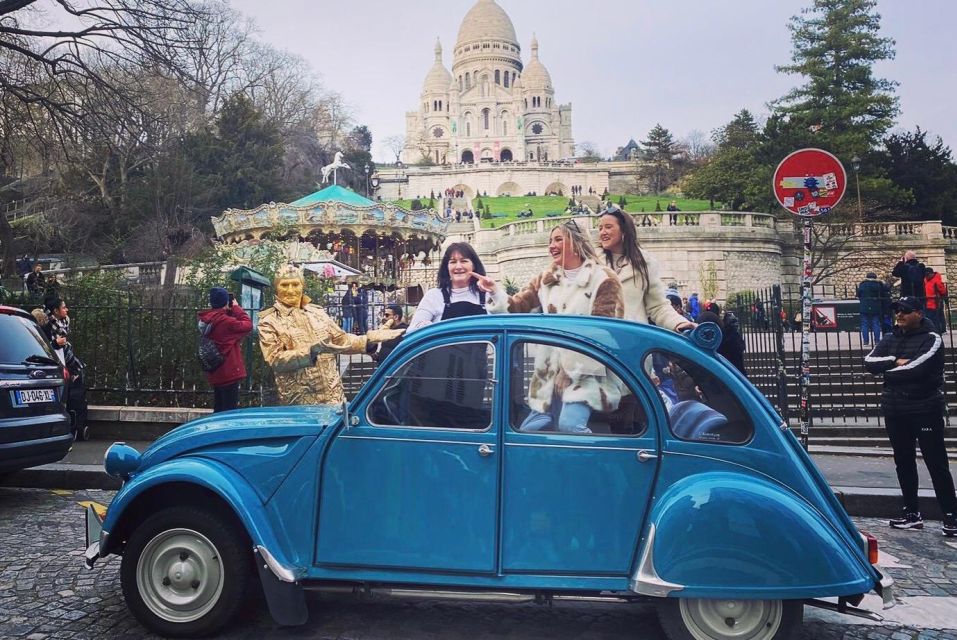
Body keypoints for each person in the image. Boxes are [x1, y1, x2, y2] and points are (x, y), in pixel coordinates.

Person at [475, 220, 625, 433]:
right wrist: (494, 291)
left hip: (589, 375)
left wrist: (569, 371)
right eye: (550, 241)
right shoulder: (546, 279)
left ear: (576, 242)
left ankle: (597, 463)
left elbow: (606, 332)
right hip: (547, 374)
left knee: (570, 426)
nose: (551, 246)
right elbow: (517, 307)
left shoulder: (604, 279)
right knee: (530, 431)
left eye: (558, 240)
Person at [863, 296, 957, 536]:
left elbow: (918, 367)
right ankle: (911, 513)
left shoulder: (932, 339)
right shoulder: (889, 338)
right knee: (903, 462)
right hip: (895, 409)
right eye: (897, 311)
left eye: (905, 311)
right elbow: (869, 362)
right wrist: (895, 361)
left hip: (924, 408)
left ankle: (951, 515)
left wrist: (890, 371)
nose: (900, 315)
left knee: (936, 463)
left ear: (919, 313)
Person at [258, 265, 404, 405]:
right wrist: (311, 351)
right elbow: (275, 359)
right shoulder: (269, 321)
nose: (290, 290)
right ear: (277, 288)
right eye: (285, 285)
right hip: (299, 402)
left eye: (295, 284)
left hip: (333, 397)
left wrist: (368, 340)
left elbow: (341, 340)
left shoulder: (317, 313)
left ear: (302, 287)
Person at [595, 205, 694, 332]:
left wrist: (679, 323)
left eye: (608, 227)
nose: (602, 232)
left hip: (632, 340)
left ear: (624, 230)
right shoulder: (591, 262)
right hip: (596, 343)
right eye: (600, 228)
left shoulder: (645, 263)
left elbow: (658, 307)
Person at [407, 242, 489, 332]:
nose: (458, 266)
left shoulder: (487, 294)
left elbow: (505, 321)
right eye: (453, 262)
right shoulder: (434, 296)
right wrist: (431, 327)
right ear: (447, 267)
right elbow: (412, 330)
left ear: (473, 265)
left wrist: (495, 293)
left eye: (464, 261)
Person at [198, 287, 253, 412]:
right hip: (229, 372)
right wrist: (236, 307)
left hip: (216, 370)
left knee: (219, 407)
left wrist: (227, 310)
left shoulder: (208, 320)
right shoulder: (225, 322)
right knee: (229, 411)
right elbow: (247, 324)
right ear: (224, 302)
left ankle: (216, 430)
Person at [40, 298, 89, 440]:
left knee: (69, 399)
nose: (66, 310)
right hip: (53, 368)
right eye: (64, 307)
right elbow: (41, 346)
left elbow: (66, 350)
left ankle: (70, 428)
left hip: (65, 367)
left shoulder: (63, 324)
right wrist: (55, 343)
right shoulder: (46, 326)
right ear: (55, 311)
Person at [856, 272, 886, 345]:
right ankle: (877, 341)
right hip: (876, 306)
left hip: (864, 306)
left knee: (864, 324)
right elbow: (883, 293)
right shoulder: (878, 284)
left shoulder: (862, 284)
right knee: (876, 323)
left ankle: (866, 342)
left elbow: (858, 294)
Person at [923, 267, 947, 334]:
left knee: (937, 318)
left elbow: (943, 291)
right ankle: (934, 330)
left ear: (931, 274)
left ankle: (940, 330)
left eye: (927, 275)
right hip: (928, 303)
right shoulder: (925, 280)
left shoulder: (937, 281)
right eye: (925, 275)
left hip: (936, 302)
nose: (926, 276)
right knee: (931, 318)